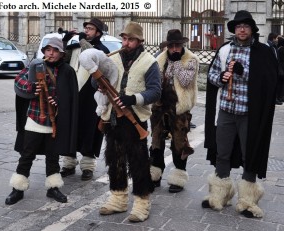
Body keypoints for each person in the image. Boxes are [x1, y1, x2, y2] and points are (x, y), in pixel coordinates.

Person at [83, 21, 161, 222]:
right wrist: (99, 84)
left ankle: (142, 203)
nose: (126, 43)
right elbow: (95, 80)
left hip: (135, 118)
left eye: (131, 39)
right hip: (112, 118)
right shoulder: (113, 57)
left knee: (138, 162)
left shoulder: (148, 61)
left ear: (139, 41)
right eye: (124, 38)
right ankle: (118, 198)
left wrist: (133, 98)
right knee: (114, 159)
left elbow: (155, 91)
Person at [202, 10, 278, 218]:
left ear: (252, 29)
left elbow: (271, 79)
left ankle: (247, 201)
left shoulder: (262, 51)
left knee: (249, 153)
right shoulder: (226, 50)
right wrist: (223, 77)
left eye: (245, 26)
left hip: (250, 114)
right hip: (227, 110)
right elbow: (212, 76)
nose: (241, 29)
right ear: (234, 30)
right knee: (222, 152)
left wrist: (244, 72)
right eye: (238, 26)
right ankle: (219, 195)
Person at [5, 37, 78, 205]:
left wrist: (59, 103)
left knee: (53, 156)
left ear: (61, 53)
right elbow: (19, 81)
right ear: (44, 51)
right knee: (27, 154)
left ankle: (53, 188)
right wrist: (32, 88)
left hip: (55, 121)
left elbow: (70, 96)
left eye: (55, 51)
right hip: (35, 117)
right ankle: (18, 188)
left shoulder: (67, 71)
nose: (51, 54)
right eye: (48, 50)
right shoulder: (37, 65)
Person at [149, 29, 199, 193]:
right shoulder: (160, 59)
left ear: (182, 45)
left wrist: (177, 63)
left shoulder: (191, 59)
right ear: (167, 46)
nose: (175, 49)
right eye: (172, 46)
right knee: (156, 142)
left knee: (179, 142)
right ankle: (155, 175)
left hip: (179, 107)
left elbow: (185, 81)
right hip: (160, 106)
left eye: (178, 45)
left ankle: (178, 177)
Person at [60, 17, 110, 181]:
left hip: (91, 98)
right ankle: (68, 163)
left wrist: (81, 40)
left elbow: (92, 56)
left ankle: (87, 167)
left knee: (90, 131)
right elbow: (62, 61)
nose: (87, 31)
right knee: (69, 130)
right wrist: (65, 41)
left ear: (98, 33)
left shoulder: (102, 50)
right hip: (73, 96)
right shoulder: (76, 47)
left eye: (90, 29)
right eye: (86, 28)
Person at [266, 32, 283, 105]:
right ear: (273, 38)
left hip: (275, 69)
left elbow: (276, 58)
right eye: (276, 38)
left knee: (275, 84)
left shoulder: (274, 46)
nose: (277, 40)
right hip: (270, 69)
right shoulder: (267, 46)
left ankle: (274, 99)